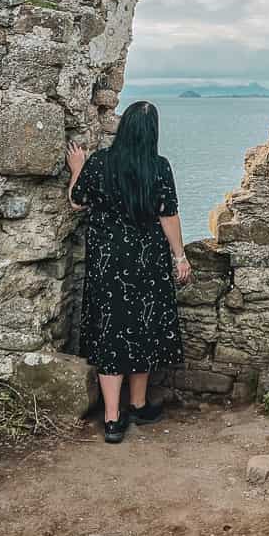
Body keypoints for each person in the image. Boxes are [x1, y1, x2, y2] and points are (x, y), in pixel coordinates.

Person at [66, 101, 192, 444]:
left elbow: (77, 201)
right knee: (143, 328)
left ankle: (111, 419)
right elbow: (168, 215)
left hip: (108, 262)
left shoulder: (101, 162)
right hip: (147, 262)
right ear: (152, 133)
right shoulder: (159, 167)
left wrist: (77, 167)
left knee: (111, 332)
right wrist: (180, 256)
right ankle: (137, 403)